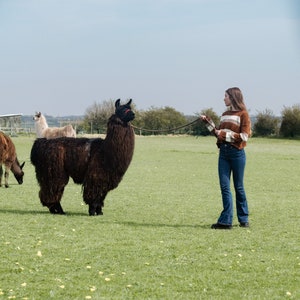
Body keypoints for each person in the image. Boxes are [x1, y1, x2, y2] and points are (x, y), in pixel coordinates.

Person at [201, 87, 251, 229]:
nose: (224, 98)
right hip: (223, 153)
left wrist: (222, 134)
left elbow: (244, 136)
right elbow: (217, 133)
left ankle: (243, 218)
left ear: (233, 97)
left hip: (237, 153)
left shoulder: (244, 115)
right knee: (224, 187)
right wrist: (207, 122)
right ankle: (226, 221)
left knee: (238, 187)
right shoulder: (224, 114)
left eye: (226, 96)